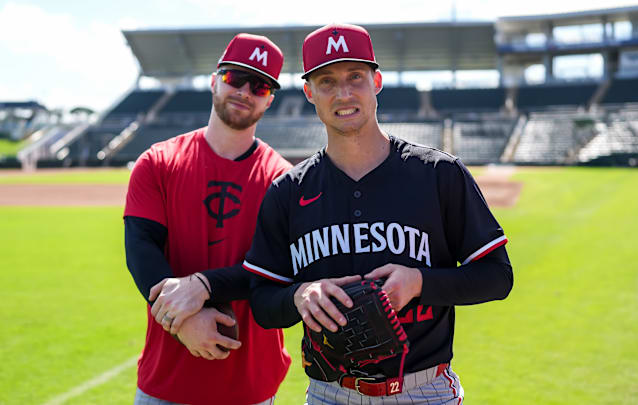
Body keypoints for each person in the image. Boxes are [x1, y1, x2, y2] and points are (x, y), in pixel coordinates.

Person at [242, 24, 514, 404]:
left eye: (355, 76)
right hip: (330, 394)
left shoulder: (438, 174)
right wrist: (299, 296)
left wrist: (420, 282)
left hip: (424, 391)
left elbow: (497, 276)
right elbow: (261, 301)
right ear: (309, 93)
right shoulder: (289, 192)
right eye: (326, 81)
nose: (344, 93)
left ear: (377, 81)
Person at [124, 33, 292, 405]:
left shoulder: (284, 180)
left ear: (270, 99)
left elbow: (276, 270)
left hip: (250, 384)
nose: (245, 91)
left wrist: (202, 287)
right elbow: (141, 248)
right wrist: (183, 321)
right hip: (166, 379)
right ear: (215, 79)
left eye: (260, 85)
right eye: (235, 77)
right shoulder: (158, 162)